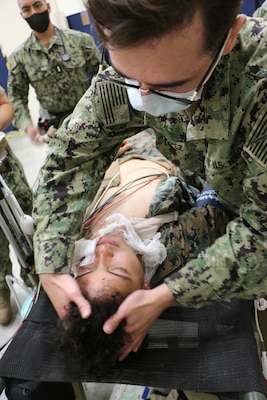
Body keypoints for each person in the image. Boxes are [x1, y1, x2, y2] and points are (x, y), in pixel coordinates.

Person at [33, 0, 267, 361]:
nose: (141, 96)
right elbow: (70, 157)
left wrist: (170, 294)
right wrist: (49, 262)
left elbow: (262, 234)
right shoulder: (140, 63)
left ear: (229, 37)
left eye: (168, 85)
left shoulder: (259, 90)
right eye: (127, 74)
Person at [59, 129, 231, 374]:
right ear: (144, 288)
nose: (102, 252)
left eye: (87, 266)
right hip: (173, 143)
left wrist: (103, 152)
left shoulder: (65, 245)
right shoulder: (178, 246)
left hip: (123, 146)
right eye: (117, 269)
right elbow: (220, 185)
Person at [7, 0, 104, 142]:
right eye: (27, 9)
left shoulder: (79, 40)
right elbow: (16, 97)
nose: (33, 12)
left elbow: (102, 74)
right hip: (56, 129)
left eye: (38, 5)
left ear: (48, 6)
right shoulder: (19, 57)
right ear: (22, 14)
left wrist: (99, 106)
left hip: (90, 117)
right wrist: (27, 125)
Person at [0, 85, 32, 324]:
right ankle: (2, 288)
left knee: (26, 221)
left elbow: (5, 104)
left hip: (5, 169)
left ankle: (34, 275)